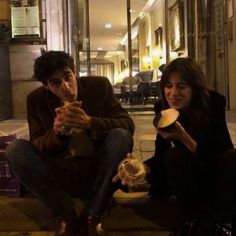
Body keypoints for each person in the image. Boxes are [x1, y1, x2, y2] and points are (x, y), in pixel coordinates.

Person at [6, 51, 134, 236]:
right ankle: (65, 215)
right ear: (46, 86)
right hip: (61, 172)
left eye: (68, 77)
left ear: (75, 73)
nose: (66, 87)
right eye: (56, 83)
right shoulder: (36, 100)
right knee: (15, 149)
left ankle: (94, 215)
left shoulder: (98, 87)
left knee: (120, 136)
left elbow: (127, 125)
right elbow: (37, 144)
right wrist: (57, 133)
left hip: (99, 170)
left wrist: (90, 123)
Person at [113, 57, 234, 236]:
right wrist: (142, 167)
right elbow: (162, 155)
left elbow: (222, 154)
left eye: (181, 86)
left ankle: (224, 223)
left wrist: (184, 138)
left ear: (194, 88)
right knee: (174, 156)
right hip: (186, 178)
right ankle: (193, 219)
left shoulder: (213, 103)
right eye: (168, 86)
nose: (173, 93)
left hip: (213, 173)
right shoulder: (162, 109)